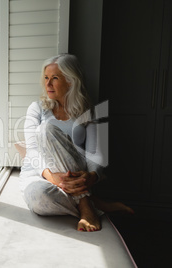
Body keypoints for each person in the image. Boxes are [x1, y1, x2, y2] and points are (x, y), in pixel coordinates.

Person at [19, 53, 133, 232]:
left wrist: (93, 176)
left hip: (76, 175)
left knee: (45, 129)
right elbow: (32, 150)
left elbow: (95, 153)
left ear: (71, 81)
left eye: (54, 78)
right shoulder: (37, 109)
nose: (47, 84)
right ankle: (90, 202)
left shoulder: (87, 112)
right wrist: (52, 178)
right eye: (46, 78)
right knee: (39, 198)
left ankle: (87, 207)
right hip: (40, 174)